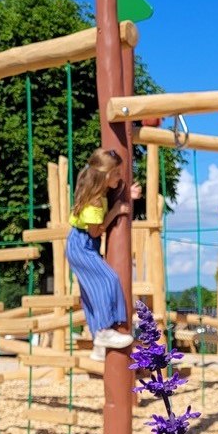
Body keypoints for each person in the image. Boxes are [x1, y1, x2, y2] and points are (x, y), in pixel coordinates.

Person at [66, 148, 142, 361]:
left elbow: (116, 197)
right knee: (107, 280)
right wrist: (116, 211)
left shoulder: (100, 193)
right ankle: (104, 331)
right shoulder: (94, 203)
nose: (119, 177)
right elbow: (96, 231)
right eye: (116, 174)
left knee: (90, 294)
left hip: (84, 244)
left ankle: (98, 345)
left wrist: (129, 195)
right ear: (105, 176)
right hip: (81, 245)